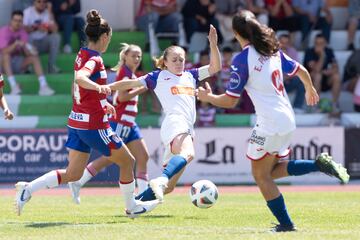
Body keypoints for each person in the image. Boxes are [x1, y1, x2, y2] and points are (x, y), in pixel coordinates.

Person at [197, 10, 349, 232]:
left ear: (236, 33)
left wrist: (207, 97)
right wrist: (310, 88)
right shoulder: (272, 52)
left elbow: (230, 102)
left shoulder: (243, 59)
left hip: (269, 123)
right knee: (273, 171)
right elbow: (302, 70)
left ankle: (286, 224)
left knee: (260, 176)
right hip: (287, 119)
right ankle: (318, 165)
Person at [14, 9, 159, 218]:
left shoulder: (81, 53)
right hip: (93, 124)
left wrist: (102, 102)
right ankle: (132, 207)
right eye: (110, 38)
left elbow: (81, 85)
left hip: (77, 121)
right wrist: (100, 89)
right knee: (127, 161)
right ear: (105, 36)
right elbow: (81, 79)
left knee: (73, 174)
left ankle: (28, 189)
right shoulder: (95, 59)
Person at [107, 25, 221, 203]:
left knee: (169, 188)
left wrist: (213, 44)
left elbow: (215, 67)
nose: (178, 63)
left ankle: (135, 205)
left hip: (187, 127)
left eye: (181, 59)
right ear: (165, 62)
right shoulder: (158, 77)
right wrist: (107, 87)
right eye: (174, 59)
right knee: (188, 153)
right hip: (174, 123)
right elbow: (130, 83)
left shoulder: (191, 75)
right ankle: (160, 179)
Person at [68, 43, 150, 204]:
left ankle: (144, 195)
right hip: (120, 122)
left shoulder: (131, 75)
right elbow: (120, 98)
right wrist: (143, 87)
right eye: (133, 55)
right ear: (125, 57)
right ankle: (78, 181)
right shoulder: (125, 75)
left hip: (130, 124)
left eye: (139, 56)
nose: (137, 59)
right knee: (110, 159)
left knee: (143, 156)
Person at [0, 10, 54, 96]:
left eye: (20, 21)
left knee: (34, 58)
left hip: (16, 62)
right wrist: (15, 44)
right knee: (5, 55)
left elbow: (26, 52)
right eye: (15, 20)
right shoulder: (3, 31)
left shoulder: (23, 32)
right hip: (2, 63)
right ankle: (14, 86)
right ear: (11, 20)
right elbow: (3, 51)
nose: (17, 23)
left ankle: (43, 86)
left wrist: (31, 51)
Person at [304, 33, 341, 114]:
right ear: (314, 43)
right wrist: (322, 55)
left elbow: (336, 68)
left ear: (325, 44)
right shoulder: (309, 52)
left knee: (336, 76)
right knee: (318, 76)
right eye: (317, 43)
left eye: (321, 43)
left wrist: (329, 71)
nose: (319, 45)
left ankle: (334, 105)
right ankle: (315, 105)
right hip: (311, 82)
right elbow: (316, 69)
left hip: (326, 79)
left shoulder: (329, 51)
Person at [23, 0, 61, 73]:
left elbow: (55, 29)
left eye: (44, 2)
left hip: (43, 42)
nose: (42, 3)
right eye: (39, 1)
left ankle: (51, 66)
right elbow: (23, 29)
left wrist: (50, 12)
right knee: (28, 37)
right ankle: (29, 66)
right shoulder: (28, 11)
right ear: (34, 2)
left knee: (56, 37)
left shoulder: (47, 12)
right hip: (31, 43)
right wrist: (36, 28)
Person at [278, 33, 305, 113]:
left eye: (286, 43)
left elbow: (296, 69)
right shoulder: (272, 52)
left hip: (289, 80)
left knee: (300, 82)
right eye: (282, 42)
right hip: (276, 81)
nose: (284, 45)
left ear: (289, 44)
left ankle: (297, 107)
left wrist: (286, 57)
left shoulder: (293, 52)